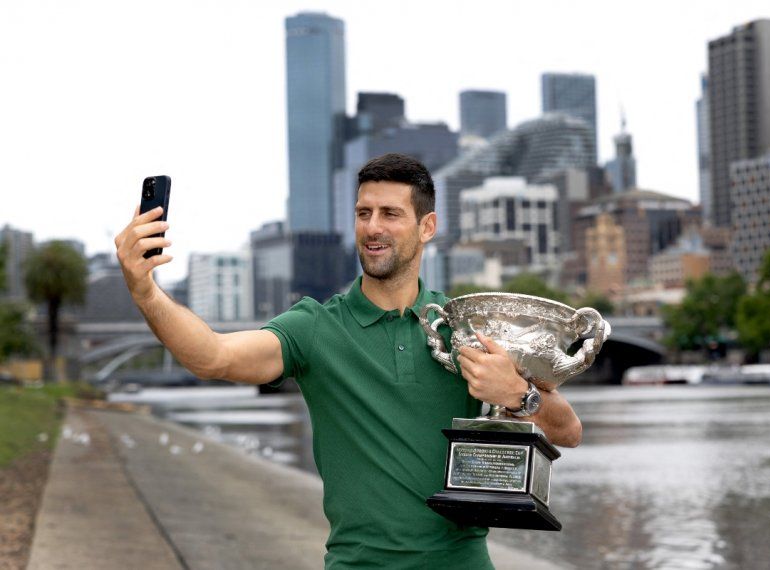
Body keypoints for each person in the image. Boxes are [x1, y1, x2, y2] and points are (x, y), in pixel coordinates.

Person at [115, 153, 583, 569]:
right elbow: (213, 358)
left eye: (390, 214)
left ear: (427, 227)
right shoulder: (315, 328)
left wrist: (517, 397)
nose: (373, 226)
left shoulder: (467, 328)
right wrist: (146, 292)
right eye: (364, 213)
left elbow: (568, 431)